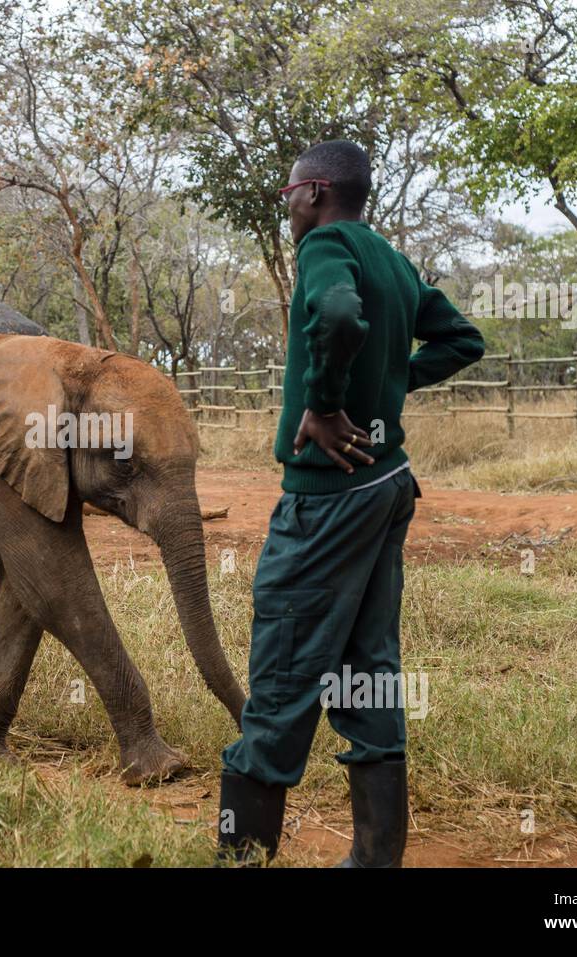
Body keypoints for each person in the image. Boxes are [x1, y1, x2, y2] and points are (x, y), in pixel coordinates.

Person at [216, 140, 485, 866]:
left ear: (316, 192)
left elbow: (336, 314)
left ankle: (242, 858)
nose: (287, 209)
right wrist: (389, 382)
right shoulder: (393, 261)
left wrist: (328, 404)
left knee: (283, 664)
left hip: (329, 498)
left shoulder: (327, 245)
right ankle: (375, 859)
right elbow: (463, 339)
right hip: (388, 484)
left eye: (288, 195)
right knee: (366, 663)